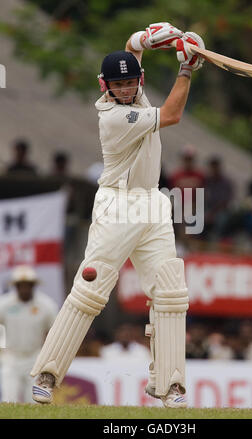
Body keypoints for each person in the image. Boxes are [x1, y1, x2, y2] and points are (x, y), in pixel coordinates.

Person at [30, 22, 205, 408]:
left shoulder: (137, 95)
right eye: (117, 84)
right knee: (91, 289)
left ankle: (170, 384)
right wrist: (186, 67)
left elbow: (129, 47)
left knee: (170, 291)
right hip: (117, 204)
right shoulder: (114, 117)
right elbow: (173, 114)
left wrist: (146, 39)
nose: (125, 90)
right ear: (103, 85)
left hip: (153, 204)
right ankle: (48, 373)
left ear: (139, 80)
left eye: (131, 83)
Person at [0, 265, 58, 403]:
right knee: (9, 400)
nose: (25, 289)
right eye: (21, 285)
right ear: (16, 286)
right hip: (11, 357)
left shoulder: (46, 305)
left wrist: (47, 355)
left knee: (35, 401)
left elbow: (54, 332)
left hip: (35, 358)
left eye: (28, 285)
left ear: (33, 286)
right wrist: (2, 350)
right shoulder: (4, 304)